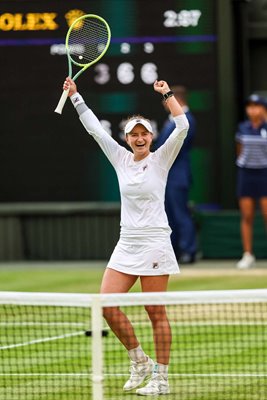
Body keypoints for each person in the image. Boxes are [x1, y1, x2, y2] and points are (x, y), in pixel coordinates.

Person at [63, 76, 189, 396]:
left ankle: (161, 378)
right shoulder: (119, 158)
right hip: (127, 242)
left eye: (143, 132)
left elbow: (183, 125)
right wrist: (76, 97)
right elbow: (94, 129)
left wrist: (167, 95)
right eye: (133, 133)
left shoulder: (161, 159)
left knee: (154, 312)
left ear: (152, 136)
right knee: (106, 305)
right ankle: (139, 361)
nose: (139, 137)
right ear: (127, 138)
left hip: (156, 241)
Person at [155, 86, 197, 264]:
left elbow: (173, 148)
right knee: (170, 215)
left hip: (178, 176)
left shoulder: (187, 120)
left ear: (175, 100)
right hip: (168, 177)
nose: (164, 104)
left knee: (180, 214)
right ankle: (176, 251)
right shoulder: (171, 120)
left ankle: (189, 250)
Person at [235, 94, 267, 269]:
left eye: (257, 106)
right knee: (247, 216)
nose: (252, 109)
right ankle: (248, 255)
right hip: (246, 174)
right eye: (250, 106)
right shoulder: (242, 127)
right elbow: (239, 151)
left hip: (265, 174)